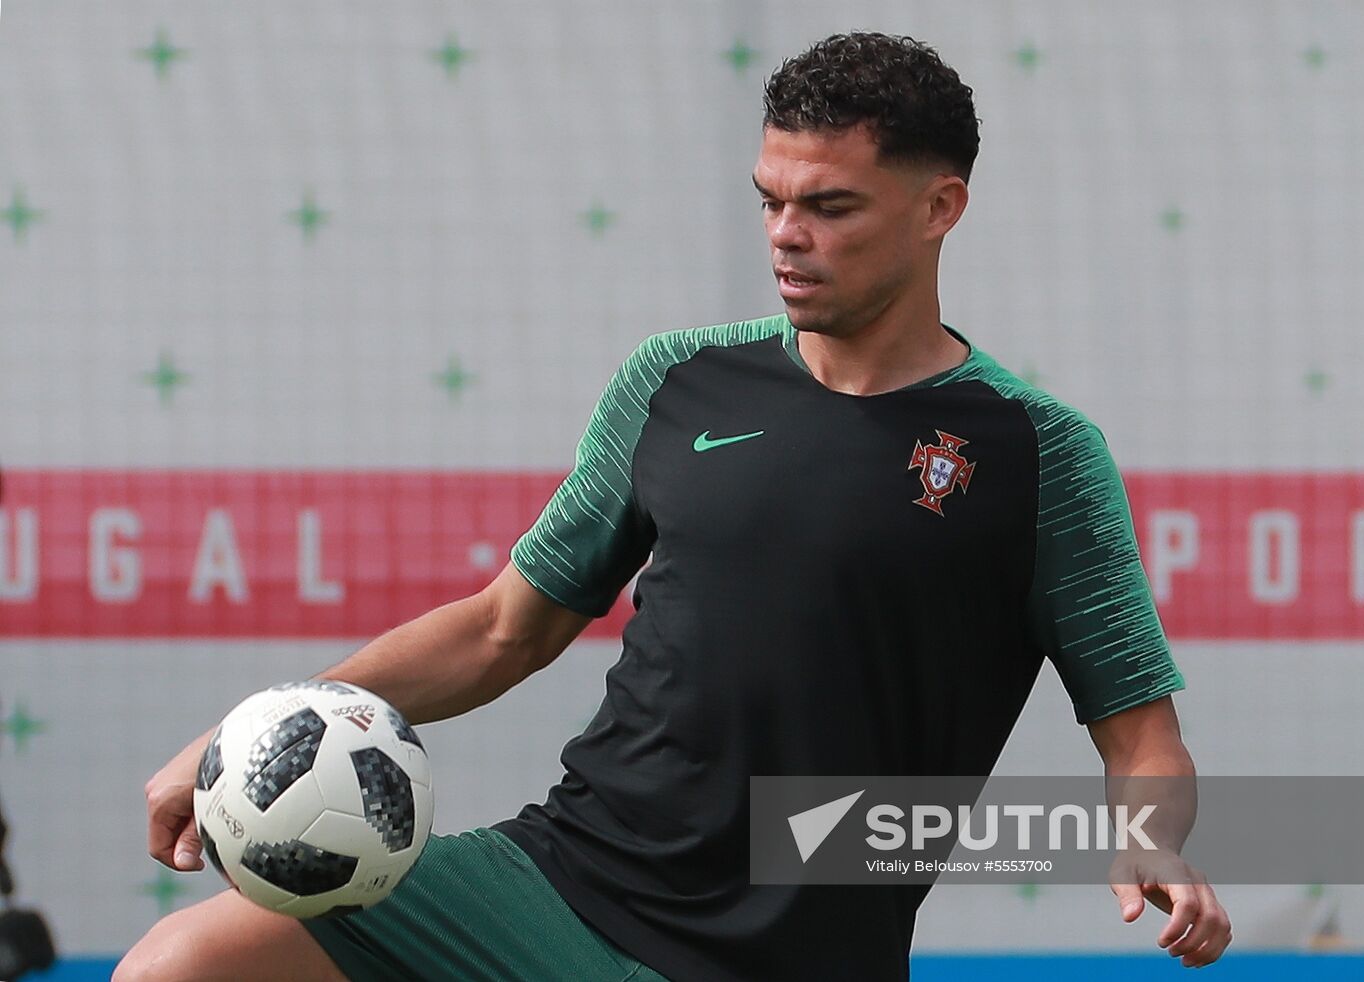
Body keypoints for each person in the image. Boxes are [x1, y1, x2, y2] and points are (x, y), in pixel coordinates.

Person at [116, 32, 1231, 982]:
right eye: (771, 201)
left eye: (830, 207)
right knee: (178, 964)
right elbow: (504, 626)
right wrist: (242, 734)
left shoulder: (1036, 449)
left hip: (798, 952)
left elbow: (1140, 735)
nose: (787, 234)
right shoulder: (676, 376)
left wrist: (1151, 841)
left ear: (940, 207)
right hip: (561, 879)